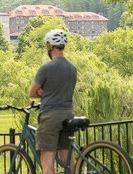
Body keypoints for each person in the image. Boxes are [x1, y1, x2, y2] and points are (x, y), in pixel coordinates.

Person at [29, 29, 78, 174]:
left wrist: (41, 92)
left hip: (50, 116)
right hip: (68, 114)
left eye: (47, 44)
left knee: (47, 161)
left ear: (50, 46)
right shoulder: (72, 68)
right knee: (67, 158)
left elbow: (31, 92)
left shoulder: (46, 68)